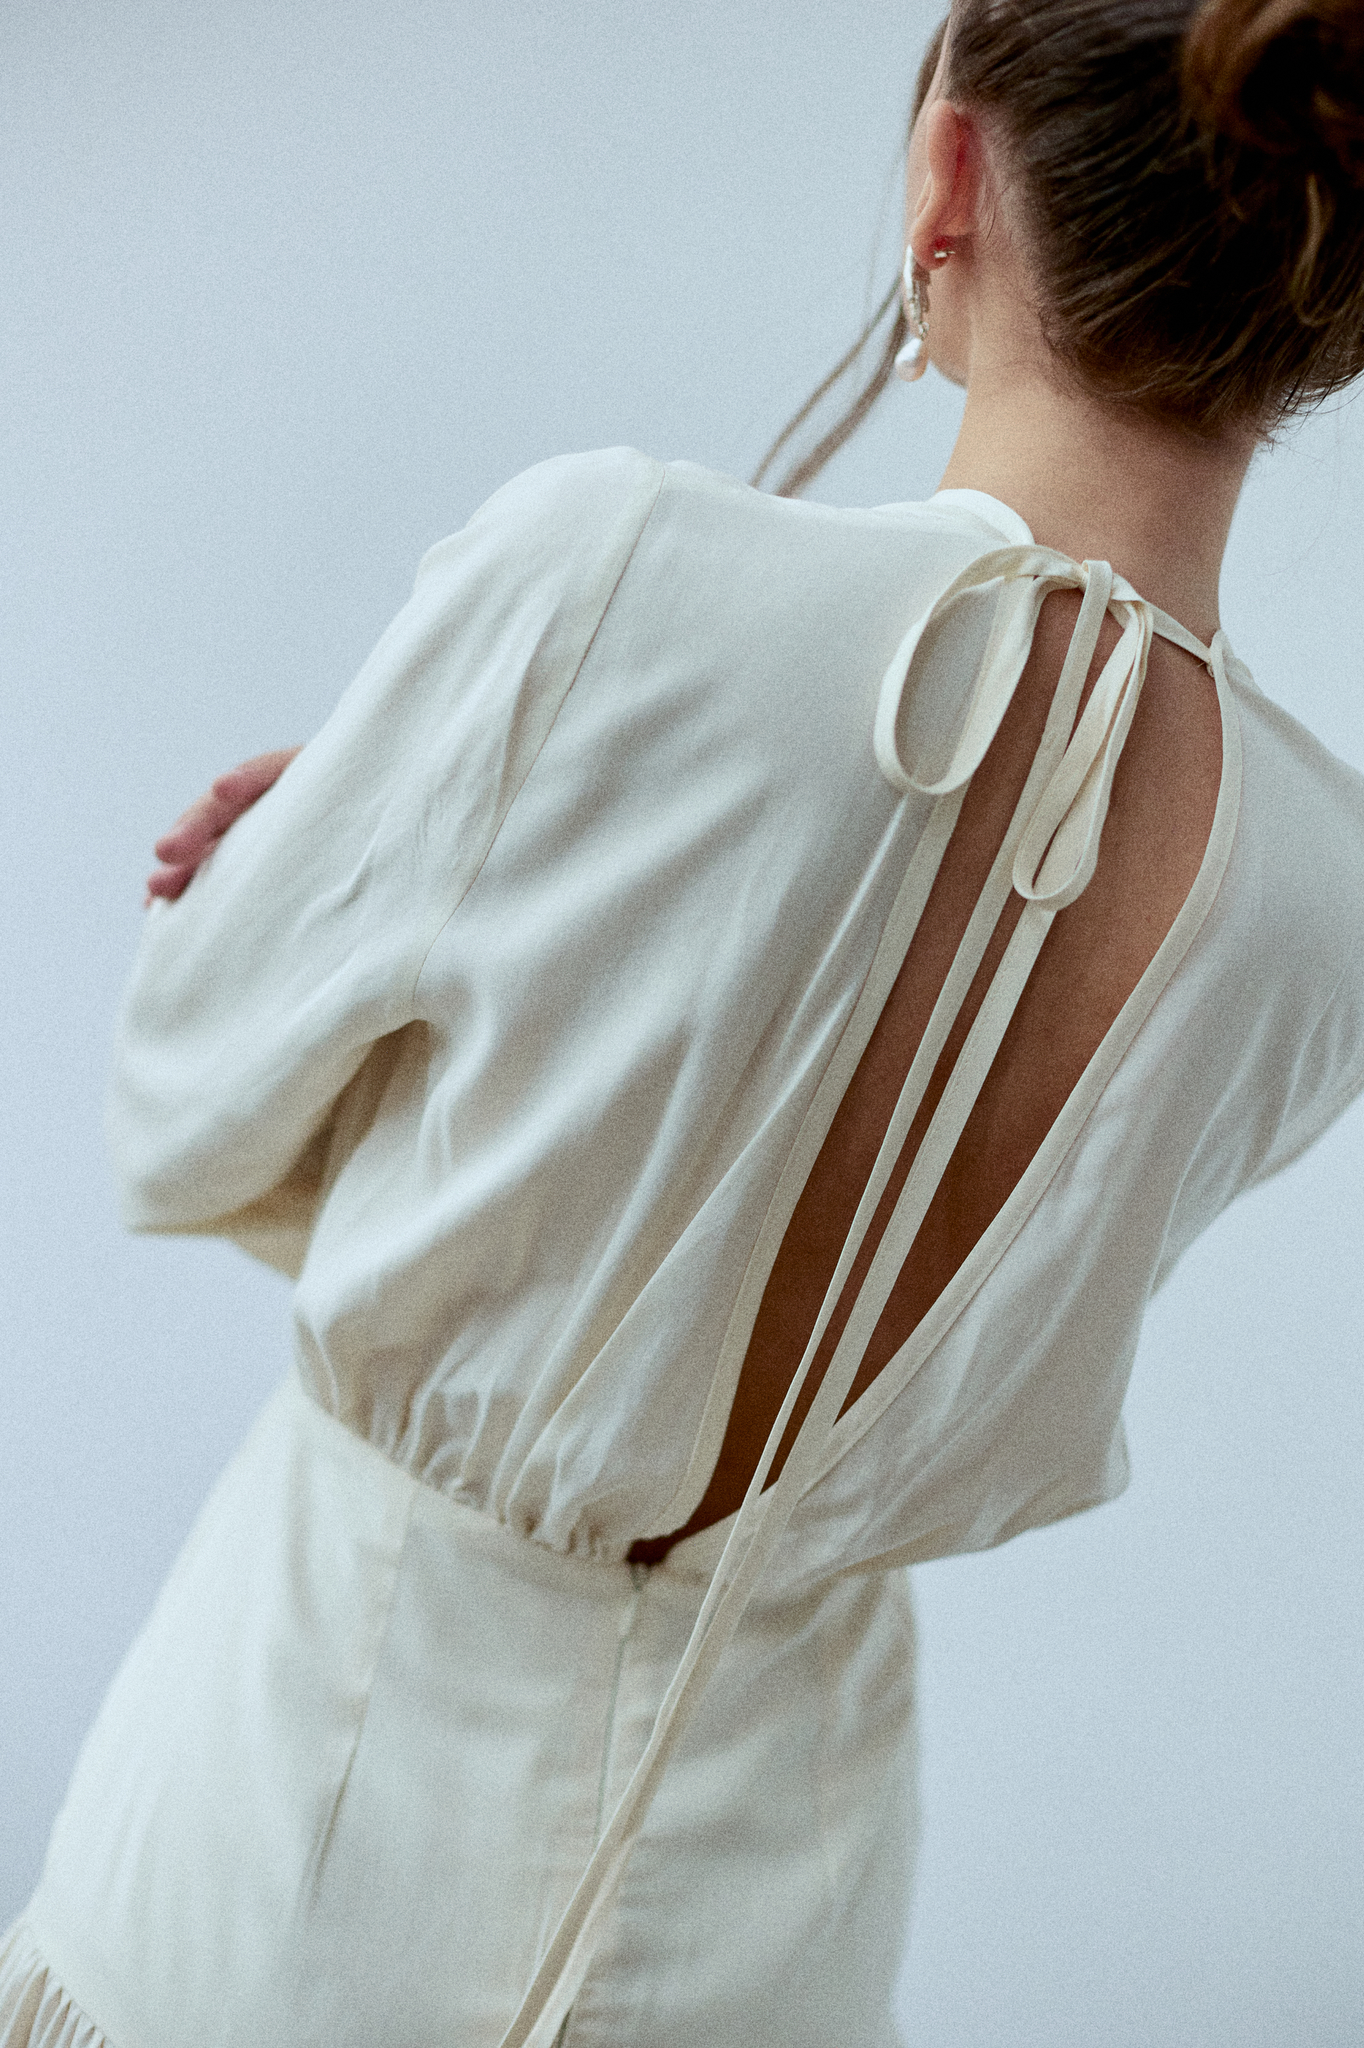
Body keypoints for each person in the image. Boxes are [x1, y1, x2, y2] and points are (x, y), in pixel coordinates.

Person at [5, 0, 1364, 2041]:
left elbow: (183, 1109)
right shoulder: (1326, 907)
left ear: (950, 175)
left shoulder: (614, 575)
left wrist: (466, 904)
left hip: (291, 1847)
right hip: (778, 1920)